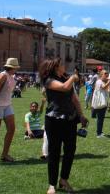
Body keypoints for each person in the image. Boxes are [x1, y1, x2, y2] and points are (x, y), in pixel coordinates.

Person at [40, 58, 88, 194]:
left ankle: (64, 179)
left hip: (70, 119)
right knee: (54, 153)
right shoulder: (49, 80)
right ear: (55, 67)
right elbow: (63, 88)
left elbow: (74, 98)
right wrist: (73, 77)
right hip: (54, 120)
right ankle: (51, 185)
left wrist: (81, 115)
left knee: (70, 151)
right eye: (61, 65)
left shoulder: (65, 78)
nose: (64, 66)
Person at [91, 69, 110, 138]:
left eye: (107, 74)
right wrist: (109, 81)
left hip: (102, 101)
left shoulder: (101, 81)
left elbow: (105, 89)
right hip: (100, 102)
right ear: (101, 75)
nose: (106, 75)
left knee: (101, 118)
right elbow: (104, 87)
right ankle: (99, 133)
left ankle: (100, 132)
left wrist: (107, 81)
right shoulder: (99, 81)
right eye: (105, 74)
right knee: (100, 118)